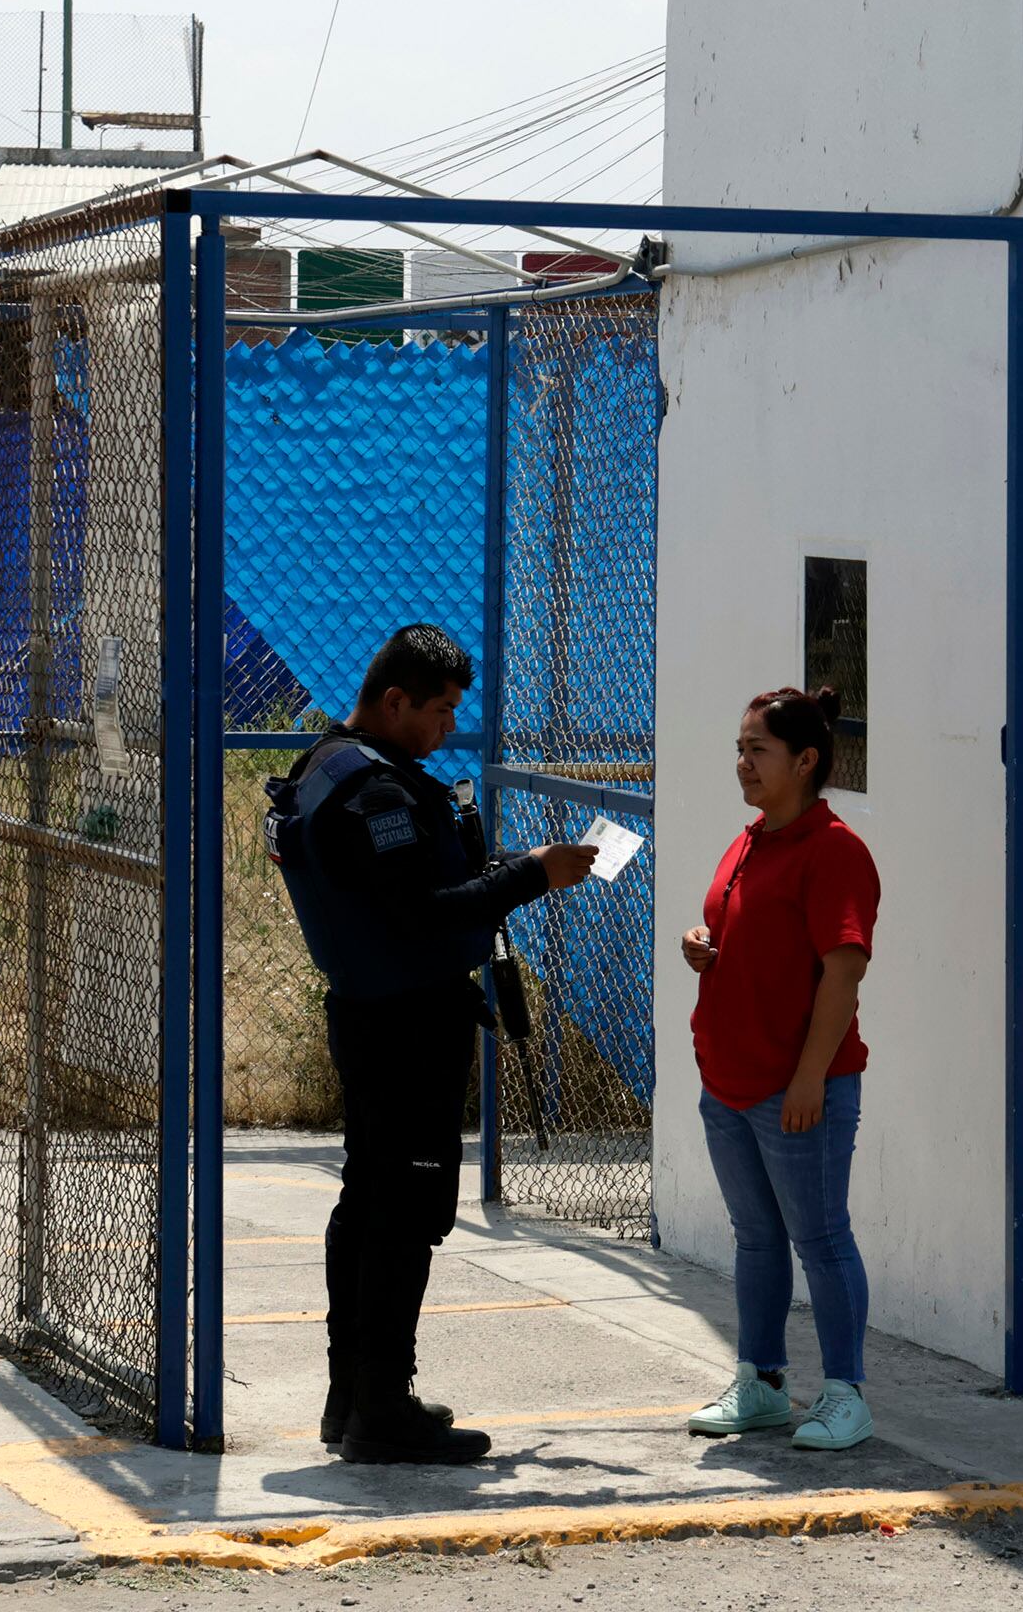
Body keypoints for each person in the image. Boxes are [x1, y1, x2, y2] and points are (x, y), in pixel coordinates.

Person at [263, 623, 593, 1465]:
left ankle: (356, 1396)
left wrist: (513, 865)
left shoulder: (331, 766)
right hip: (406, 1026)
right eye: (439, 711)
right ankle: (382, 1409)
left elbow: (414, 886)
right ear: (393, 700)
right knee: (405, 1214)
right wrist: (533, 875)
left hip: (375, 1015)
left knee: (369, 1203)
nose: (448, 728)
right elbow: (422, 913)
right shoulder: (374, 793)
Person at [679, 686, 882, 1451]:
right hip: (728, 1084)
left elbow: (844, 970)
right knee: (757, 1239)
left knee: (821, 1238)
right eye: (740, 749)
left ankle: (845, 1395)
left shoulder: (834, 850)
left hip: (797, 1090)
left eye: (757, 750)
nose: (743, 763)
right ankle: (762, 1384)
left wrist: (808, 1079)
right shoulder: (751, 841)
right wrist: (703, 943)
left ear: (805, 760)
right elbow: (748, 933)